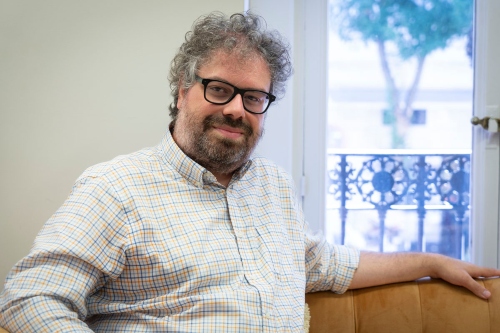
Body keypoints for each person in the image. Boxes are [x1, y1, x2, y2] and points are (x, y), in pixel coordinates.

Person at [0, 11, 499, 333]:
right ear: (181, 91)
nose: (237, 109)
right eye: (220, 89)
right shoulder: (116, 188)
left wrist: (430, 261)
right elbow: (29, 299)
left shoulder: (273, 186)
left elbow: (321, 264)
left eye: (254, 97)